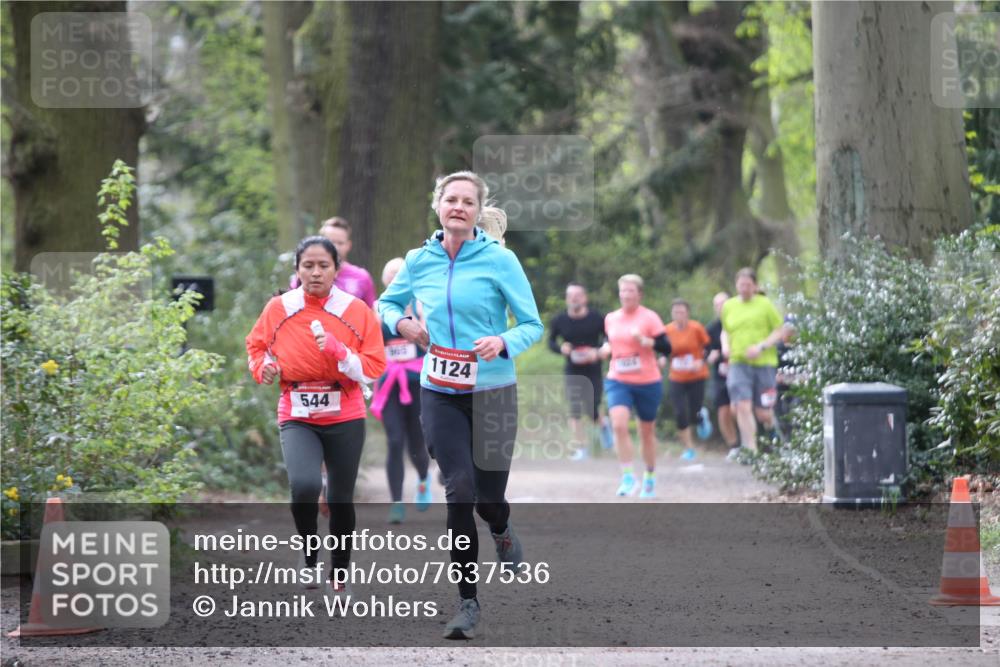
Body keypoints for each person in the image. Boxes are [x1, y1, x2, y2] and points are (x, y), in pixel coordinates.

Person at [377, 171, 543, 640]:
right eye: (451, 199)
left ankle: (502, 526)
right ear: (438, 205)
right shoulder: (417, 260)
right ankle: (467, 603)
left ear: (476, 211)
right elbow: (386, 304)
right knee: (459, 491)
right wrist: (402, 323)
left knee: (489, 500)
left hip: (492, 391)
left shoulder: (500, 260)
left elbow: (532, 324)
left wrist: (503, 340)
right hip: (439, 390)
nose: (459, 207)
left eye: (468, 202)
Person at [246, 236, 385, 596]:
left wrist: (340, 353)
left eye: (323, 265)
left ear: (337, 270)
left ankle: (339, 576)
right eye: (308, 265)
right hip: (297, 410)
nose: (315, 272)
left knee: (340, 498)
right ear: (297, 270)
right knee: (305, 486)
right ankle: (309, 554)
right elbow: (256, 346)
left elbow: (373, 367)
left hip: (345, 411)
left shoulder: (355, 310)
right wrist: (263, 368)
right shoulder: (279, 308)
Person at [370, 258, 432, 524]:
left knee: (417, 442)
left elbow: (431, 340)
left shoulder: (421, 306)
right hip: (389, 385)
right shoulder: (376, 309)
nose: (396, 278)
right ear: (385, 280)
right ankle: (396, 501)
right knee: (395, 441)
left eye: (400, 274)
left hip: (418, 383)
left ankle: (422, 478)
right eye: (391, 275)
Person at [598, 274, 670, 498]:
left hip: (647, 381)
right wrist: (605, 349)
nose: (626, 295)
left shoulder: (649, 318)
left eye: (631, 291)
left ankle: (649, 476)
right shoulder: (611, 318)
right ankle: (628, 476)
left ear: (639, 294)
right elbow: (610, 341)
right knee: (618, 424)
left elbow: (666, 347)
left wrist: (647, 342)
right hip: (618, 379)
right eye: (623, 290)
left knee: (646, 432)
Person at [720, 268, 786, 457]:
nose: (744, 288)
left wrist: (761, 346)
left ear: (755, 286)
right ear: (736, 285)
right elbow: (725, 330)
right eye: (741, 285)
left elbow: (779, 330)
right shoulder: (729, 306)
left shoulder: (764, 304)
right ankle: (751, 450)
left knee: (763, 413)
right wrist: (725, 345)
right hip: (738, 363)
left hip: (763, 364)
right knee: (742, 405)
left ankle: (776, 436)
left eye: (748, 285)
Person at [548, 282, 611, 460]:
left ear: (584, 298)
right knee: (575, 408)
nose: (574, 299)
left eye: (577, 295)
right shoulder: (559, 320)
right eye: (570, 296)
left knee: (592, 408)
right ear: (567, 299)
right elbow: (551, 342)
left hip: (593, 368)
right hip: (572, 369)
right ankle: (581, 449)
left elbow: (609, 338)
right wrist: (561, 348)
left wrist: (599, 351)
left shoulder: (597, 318)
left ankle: (603, 424)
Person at [663, 299, 711, 461]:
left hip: (697, 376)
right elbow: (663, 349)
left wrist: (701, 361)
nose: (678, 315)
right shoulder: (667, 330)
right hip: (676, 376)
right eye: (675, 312)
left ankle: (701, 416)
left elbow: (708, 348)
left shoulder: (696, 328)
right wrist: (663, 358)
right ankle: (689, 448)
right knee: (679, 413)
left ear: (687, 313)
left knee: (693, 412)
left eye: (681, 312)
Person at [705, 292, 739, 458]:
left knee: (738, 409)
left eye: (724, 304)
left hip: (741, 372)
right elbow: (704, 351)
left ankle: (749, 443)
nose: (721, 308)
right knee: (723, 411)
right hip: (721, 375)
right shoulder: (711, 328)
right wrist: (709, 356)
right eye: (717, 305)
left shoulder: (740, 322)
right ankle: (733, 445)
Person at [319, 217, 377, 308]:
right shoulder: (307, 276)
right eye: (331, 242)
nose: (335, 247)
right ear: (319, 243)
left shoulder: (362, 277)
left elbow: (370, 315)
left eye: (340, 243)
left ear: (348, 245)